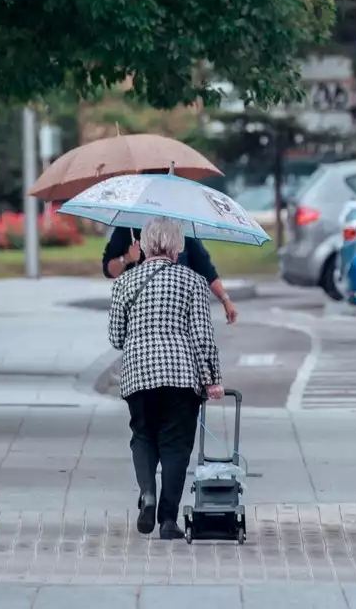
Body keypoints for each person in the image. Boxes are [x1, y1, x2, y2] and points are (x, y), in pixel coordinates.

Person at [108, 216, 224, 540]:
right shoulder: (193, 281)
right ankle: (168, 520)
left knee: (143, 436)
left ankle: (147, 493)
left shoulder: (125, 283)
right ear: (177, 245)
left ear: (143, 245)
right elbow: (202, 336)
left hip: (138, 375)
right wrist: (212, 379)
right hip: (181, 375)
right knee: (176, 445)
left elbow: (116, 336)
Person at [101, 174, 239, 324]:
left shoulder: (180, 229)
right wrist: (127, 257)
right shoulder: (128, 228)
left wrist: (225, 300)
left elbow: (206, 269)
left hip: (176, 309)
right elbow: (109, 270)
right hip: (142, 310)